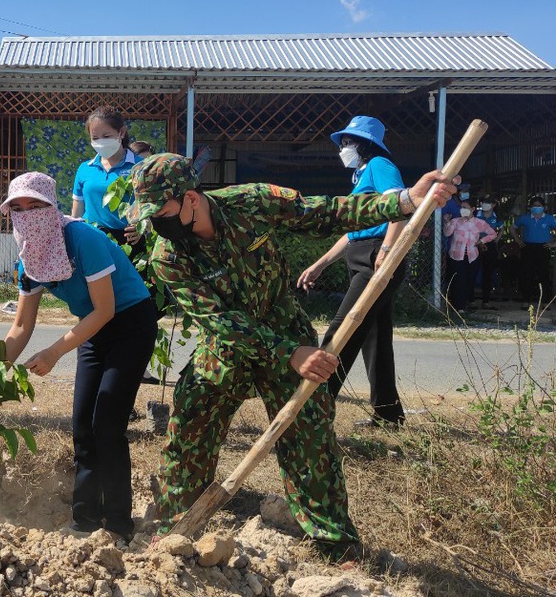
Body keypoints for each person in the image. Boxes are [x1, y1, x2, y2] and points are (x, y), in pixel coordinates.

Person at [129, 152, 456, 559]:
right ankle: (173, 527)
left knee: (310, 436)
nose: (156, 223)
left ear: (191, 198)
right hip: (230, 344)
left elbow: (325, 213)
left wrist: (403, 202)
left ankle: (334, 543)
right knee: (191, 419)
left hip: (285, 326)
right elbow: (219, 321)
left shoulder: (251, 202)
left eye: (161, 211)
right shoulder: (168, 255)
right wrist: (289, 353)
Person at [1, 172, 158, 541]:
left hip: (130, 323)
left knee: (107, 424)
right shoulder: (29, 257)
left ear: (52, 206)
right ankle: (85, 520)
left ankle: (119, 524)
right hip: (93, 329)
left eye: (35, 206)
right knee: (82, 428)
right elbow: (21, 326)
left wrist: (54, 352)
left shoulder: (83, 238)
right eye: (18, 209)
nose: (27, 215)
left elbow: (105, 309)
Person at [296, 116, 407, 426]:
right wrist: (320, 264)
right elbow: (351, 232)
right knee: (375, 339)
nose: (343, 148)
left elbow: (401, 207)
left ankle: (314, 409)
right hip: (362, 254)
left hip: (376, 256)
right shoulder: (361, 176)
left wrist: (387, 250)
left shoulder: (380, 165)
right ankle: (388, 415)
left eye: (347, 142)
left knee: (342, 331)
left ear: (364, 144)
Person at [72, 106, 144, 254]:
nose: (101, 142)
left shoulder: (140, 166)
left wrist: (143, 227)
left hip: (128, 241)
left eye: (106, 136)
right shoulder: (85, 169)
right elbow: (77, 211)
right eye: (95, 138)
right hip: (91, 239)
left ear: (121, 132)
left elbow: (151, 204)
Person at [443, 201, 497, 313]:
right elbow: (447, 234)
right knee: (459, 280)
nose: (462, 209)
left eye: (465, 207)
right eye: (461, 207)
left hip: (472, 256)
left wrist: (481, 240)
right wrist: (447, 223)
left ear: (472, 209)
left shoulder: (479, 223)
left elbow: (493, 234)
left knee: (469, 281)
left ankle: (465, 304)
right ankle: (459, 307)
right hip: (456, 256)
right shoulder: (455, 221)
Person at [512, 196, 556, 310]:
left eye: (539, 205)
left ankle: (545, 301)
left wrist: (553, 244)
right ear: (530, 207)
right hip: (527, 247)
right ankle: (526, 300)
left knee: (544, 275)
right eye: (534, 205)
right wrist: (518, 240)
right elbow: (512, 228)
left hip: (543, 248)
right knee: (527, 274)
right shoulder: (524, 218)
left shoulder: (550, 219)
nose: (537, 207)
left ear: (543, 207)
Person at [477, 197, 504, 308]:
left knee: (488, 272)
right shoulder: (475, 214)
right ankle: (470, 300)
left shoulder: (497, 216)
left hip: (490, 245)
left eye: (488, 203)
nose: (485, 204)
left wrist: (496, 240)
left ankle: (485, 301)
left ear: (493, 204)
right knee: (472, 270)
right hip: (475, 244)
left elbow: (501, 229)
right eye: (483, 202)